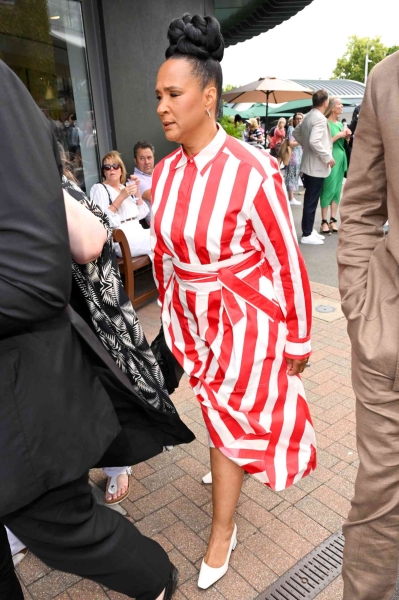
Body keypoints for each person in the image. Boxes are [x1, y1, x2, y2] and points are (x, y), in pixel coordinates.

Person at [0, 59, 178, 600]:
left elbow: (62, 261)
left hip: (35, 379)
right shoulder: (90, 187)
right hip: (68, 354)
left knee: (63, 524)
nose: (161, 108)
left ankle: (155, 580)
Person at [153, 12, 316, 590]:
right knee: (220, 414)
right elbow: (167, 256)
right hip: (193, 320)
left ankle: (223, 528)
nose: (162, 107)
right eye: (158, 96)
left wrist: (298, 335)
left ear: (209, 96)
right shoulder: (166, 173)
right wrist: (174, 315)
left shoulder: (255, 170)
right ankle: (230, 460)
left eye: (174, 94)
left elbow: (287, 260)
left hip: (244, 318)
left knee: (227, 428)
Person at [337, 50, 399, 600]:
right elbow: (358, 207)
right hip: (391, 338)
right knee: (378, 515)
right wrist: (363, 307)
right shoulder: (386, 79)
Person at [293, 89, 335, 245]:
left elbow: (298, 133)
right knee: (311, 199)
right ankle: (307, 233)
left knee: (312, 198)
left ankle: (309, 230)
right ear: (325, 102)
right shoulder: (319, 118)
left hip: (310, 164)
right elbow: (314, 141)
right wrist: (328, 157)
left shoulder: (309, 115)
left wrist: (307, 146)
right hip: (316, 166)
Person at [90, 151, 151, 258]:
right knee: (162, 240)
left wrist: (137, 190)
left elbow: (141, 214)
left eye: (115, 165)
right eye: (107, 167)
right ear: (104, 172)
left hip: (138, 232)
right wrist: (121, 197)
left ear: (121, 170)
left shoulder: (123, 188)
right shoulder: (99, 188)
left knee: (165, 235)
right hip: (122, 238)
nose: (112, 169)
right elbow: (101, 219)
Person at [319, 97, 351, 234]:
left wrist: (347, 138)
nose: (342, 106)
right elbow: (324, 143)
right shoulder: (325, 123)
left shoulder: (339, 124)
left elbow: (345, 144)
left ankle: (333, 219)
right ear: (332, 108)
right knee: (328, 187)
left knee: (337, 190)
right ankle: (323, 221)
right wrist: (339, 135)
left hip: (341, 156)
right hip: (331, 157)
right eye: (339, 104)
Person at [134, 141, 155, 226]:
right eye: (142, 158)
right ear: (135, 161)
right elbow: (156, 197)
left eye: (149, 157)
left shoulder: (160, 173)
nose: (147, 162)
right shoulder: (136, 180)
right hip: (157, 225)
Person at [285, 112, 304, 206]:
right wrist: (301, 140)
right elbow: (291, 143)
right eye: (297, 118)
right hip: (293, 155)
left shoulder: (300, 129)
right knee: (291, 176)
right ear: (294, 120)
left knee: (295, 175)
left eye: (300, 118)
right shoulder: (291, 129)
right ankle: (291, 198)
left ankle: (291, 197)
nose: (299, 120)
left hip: (299, 154)